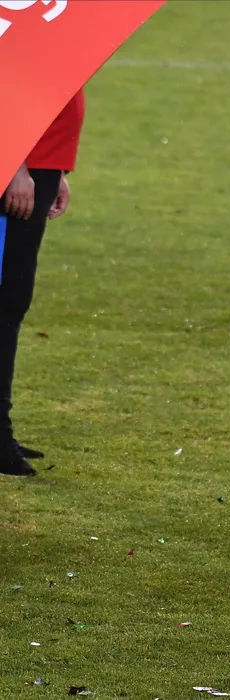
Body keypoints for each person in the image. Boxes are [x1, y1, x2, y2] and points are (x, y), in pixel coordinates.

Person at [0, 87, 85, 477]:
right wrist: (14, 165)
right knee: (5, 300)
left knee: (11, 300)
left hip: (39, 162)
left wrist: (56, 169)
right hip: (18, 164)